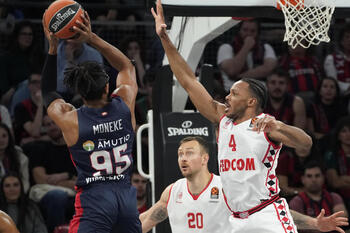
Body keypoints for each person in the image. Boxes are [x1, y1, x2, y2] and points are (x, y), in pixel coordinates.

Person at [152, 2, 328, 232]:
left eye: (234, 94)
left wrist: (280, 125)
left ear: (251, 102)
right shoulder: (222, 119)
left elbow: (306, 142)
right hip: (236, 219)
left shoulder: (265, 125)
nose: (227, 96)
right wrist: (165, 38)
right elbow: (188, 80)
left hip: (267, 213)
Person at [41, 10, 140, 233]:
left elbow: (47, 91)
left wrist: (53, 47)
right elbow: (126, 66)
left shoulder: (71, 119)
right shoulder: (125, 102)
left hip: (94, 201)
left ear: (80, 94)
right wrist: (91, 38)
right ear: (107, 87)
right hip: (125, 199)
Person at [141, 136, 348, 233]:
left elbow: (271, 213)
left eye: (189, 153)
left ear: (205, 159)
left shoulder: (227, 188)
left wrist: (315, 224)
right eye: (180, 154)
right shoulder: (173, 191)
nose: (183, 158)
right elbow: (144, 221)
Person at [27, 115, 76, 232]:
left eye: (54, 123)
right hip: (49, 197)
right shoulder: (39, 149)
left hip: (76, 195)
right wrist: (71, 179)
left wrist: (64, 175)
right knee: (57, 196)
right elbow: (42, 181)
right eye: (48, 125)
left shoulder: (76, 150)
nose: (51, 127)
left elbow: (83, 182)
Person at [217, 18, 277, 92]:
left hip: (260, 93)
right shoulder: (226, 47)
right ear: (239, 30)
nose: (248, 34)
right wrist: (246, 47)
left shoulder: (266, 47)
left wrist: (240, 77)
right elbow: (232, 70)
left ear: (258, 33)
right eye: (245, 30)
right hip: (232, 92)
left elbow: (269, 69)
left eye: (253, 31)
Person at [289, 161, 348, 230]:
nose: (314, 180)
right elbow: (296, 223)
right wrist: (321, 223)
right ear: (303, 179)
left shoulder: (334, 197)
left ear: (323, 178)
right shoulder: (297, 201)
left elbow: (342, 218)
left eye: (317, 176)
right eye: (309, 176)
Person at [14, 73, 49, 145]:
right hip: (32, 148)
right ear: (29, 86)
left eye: (41, 82)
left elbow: (60, 134)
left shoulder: (53, 104)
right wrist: (40, 104)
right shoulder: (21, 107)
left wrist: (36, 139)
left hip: (52, 145)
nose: (39, 85)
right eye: (35, 82)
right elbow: (35, 132)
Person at [0, 124, 29, 193]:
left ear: (9, 137)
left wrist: (19, 195)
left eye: (4, 136)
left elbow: (25, 182)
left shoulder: (21, 157)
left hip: (18, 196)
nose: (1, 140)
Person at [324, 24, 350, 94]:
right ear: (341, 41)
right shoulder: (331, 59)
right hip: (340, 97)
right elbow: (332, 82)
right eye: (347, 37)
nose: (349, 40)